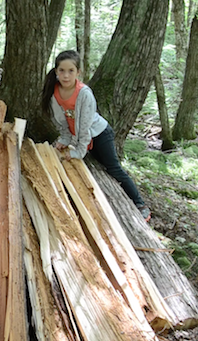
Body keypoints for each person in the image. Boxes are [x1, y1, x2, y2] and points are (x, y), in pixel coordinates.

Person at [40, 50, 151, 222]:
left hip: (99, 135)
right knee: (99, 167)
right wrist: (65, 139)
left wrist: (79, 151)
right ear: (56, 71)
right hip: (82, 137)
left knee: (113, 168)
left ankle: (140, 204)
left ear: (78, 73)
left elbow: (84, 126)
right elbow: (61, 120)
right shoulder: (54, 92)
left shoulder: (84, 93)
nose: (66, 75)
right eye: (62, 70)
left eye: (71, 71)